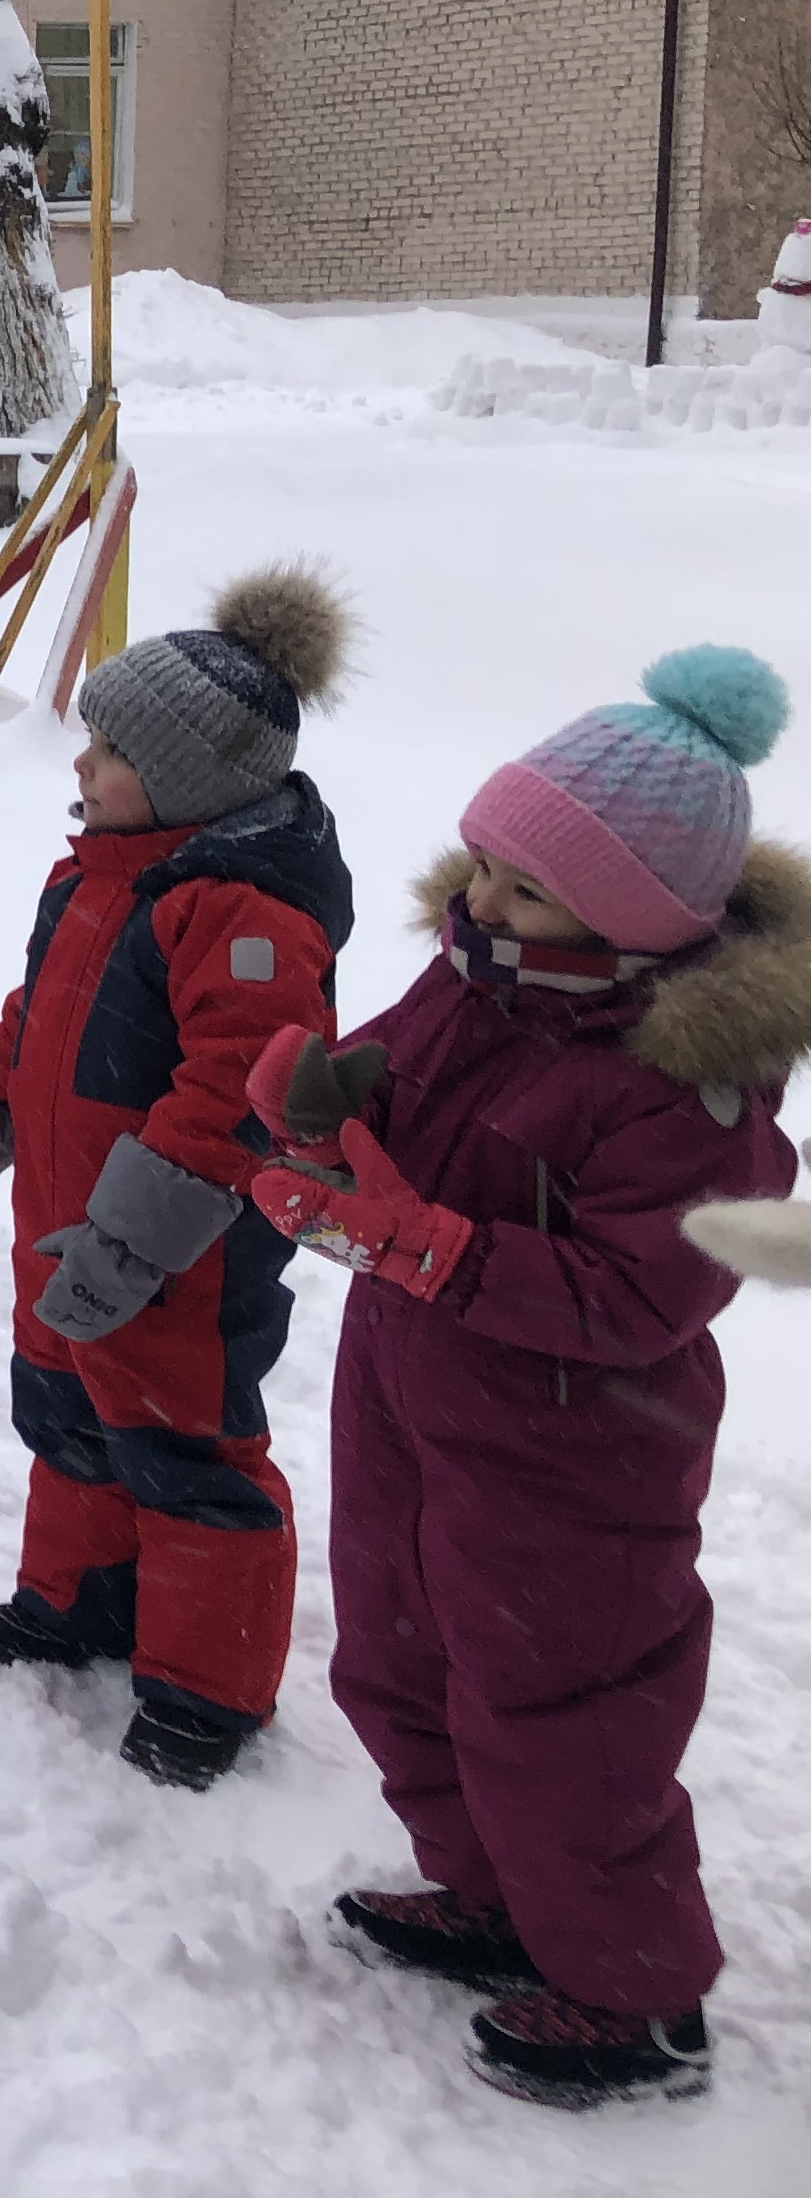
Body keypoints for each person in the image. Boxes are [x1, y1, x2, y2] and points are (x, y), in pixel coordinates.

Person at [258, 650, 800, 2110]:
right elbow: (384, 1068)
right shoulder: (480, 976)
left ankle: (639, 2003)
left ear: (639, 923)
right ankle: (494, 1897)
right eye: (486, 863)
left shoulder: (679, 1088)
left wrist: (425, 1246)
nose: (479, 901)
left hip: (574, 1449)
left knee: (561, 1710)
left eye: (526, 888)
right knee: (400, 1654)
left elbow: (642, 1298)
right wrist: (317, 1099)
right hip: (413, 1390)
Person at [0, 571, 351, 1791]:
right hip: (66, 1233)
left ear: (188, 777)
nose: (81, 764)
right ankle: (79, 1603)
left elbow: (234, 1098)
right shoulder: (97, 874)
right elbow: (36, 1033)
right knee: (70, 1420)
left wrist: (132, 1247)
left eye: (111, 749)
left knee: (187, 1454)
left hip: (184, 1254)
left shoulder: (243, 913)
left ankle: (206, 1687)